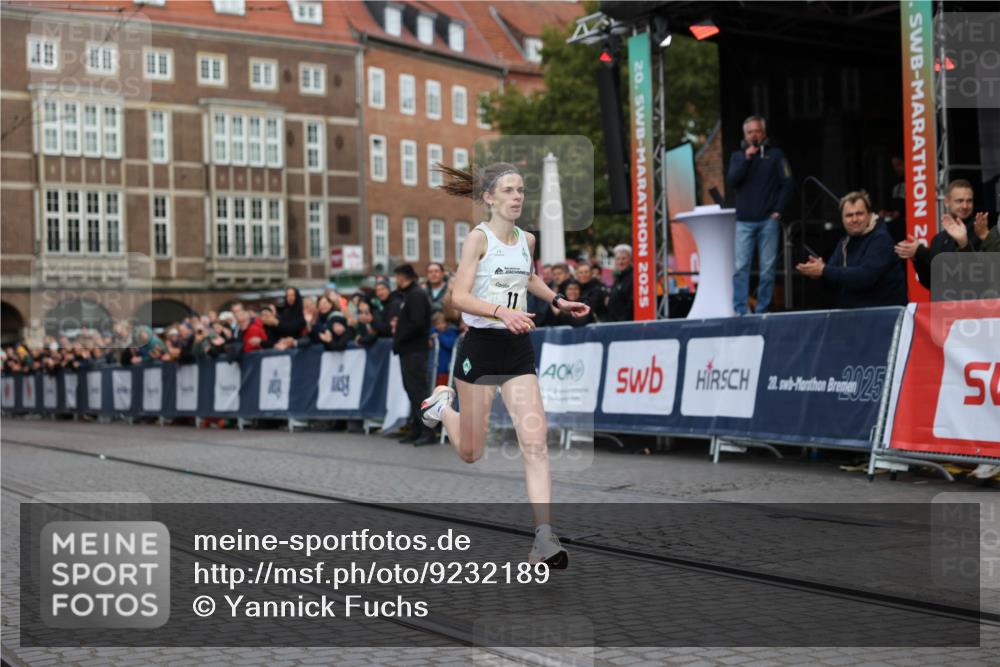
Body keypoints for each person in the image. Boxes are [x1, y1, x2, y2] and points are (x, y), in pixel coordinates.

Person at [419, 161, 591, 568]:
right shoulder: (477, 239)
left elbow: (527, 277)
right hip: (481, 347)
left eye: (521, 190)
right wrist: (501, 312)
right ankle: (441, 408)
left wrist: (557, 301)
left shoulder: (526, 239)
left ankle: (544, 538)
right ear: (489, 198)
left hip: (517, 348)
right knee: (471, 452)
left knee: (535, 443)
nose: (517, 197)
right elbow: (459, 296)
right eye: (509, 190)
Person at [727, 115, 794, 314]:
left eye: (757, 131)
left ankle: (762, 310)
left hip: (768, 221)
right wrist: (747, 159)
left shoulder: (776, 155)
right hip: (744, 222)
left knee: (767, 269)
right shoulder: (738, 156)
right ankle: (741, 311)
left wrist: (778, 210)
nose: (753, 135)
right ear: (745, 136)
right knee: (741, 268)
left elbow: (788, 183)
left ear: (764, 133)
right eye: (750, 132)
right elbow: (732, 181)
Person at [796, 190, 907, 309]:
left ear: (869, 215)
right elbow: (832, 275)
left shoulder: (881, 239)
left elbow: (865, 277)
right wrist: (817, 272)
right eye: (849, 215)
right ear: (842, 219)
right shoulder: (844, 242)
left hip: (885, 315)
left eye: (859, 214)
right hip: (855, 314)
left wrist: (824, 270)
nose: (854, 219)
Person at [894, 180, 986, 289]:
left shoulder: (982, 232)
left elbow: (977, 275)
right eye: (959, 201)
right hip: (943, 299)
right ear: (947, 201)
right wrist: (917, 258)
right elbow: (930, 283)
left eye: (969, 201)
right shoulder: (938, 239)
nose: (965, 206)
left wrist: (921, 252)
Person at [392, 264, 435, 446]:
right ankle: (416, 429)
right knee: (412, 391)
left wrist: (401, 336)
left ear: (402, 277)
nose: (396, 281)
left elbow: (417, 323)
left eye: (397, 277)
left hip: (414, 350)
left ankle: (428, 431)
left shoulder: (416, 295)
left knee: (418, 392)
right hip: (409, 350)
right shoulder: (411, 295)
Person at [429, 311, 459, 387]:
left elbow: (449, 344)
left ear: (447, 323)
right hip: (434, 369)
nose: (440, 326)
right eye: (437, 324)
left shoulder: (451, 332)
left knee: (443, 390)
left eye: (442, 323)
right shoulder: (433, 334)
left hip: (445, 370)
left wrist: (438, 336)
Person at [605, 244, 634, 322]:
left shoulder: (634, 277)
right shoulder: (618, 277)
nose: (620, 262)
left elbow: (631, 304)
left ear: (630, 259)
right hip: (616, 323)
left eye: (623, 259)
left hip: (626, 323)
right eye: (618, 259)